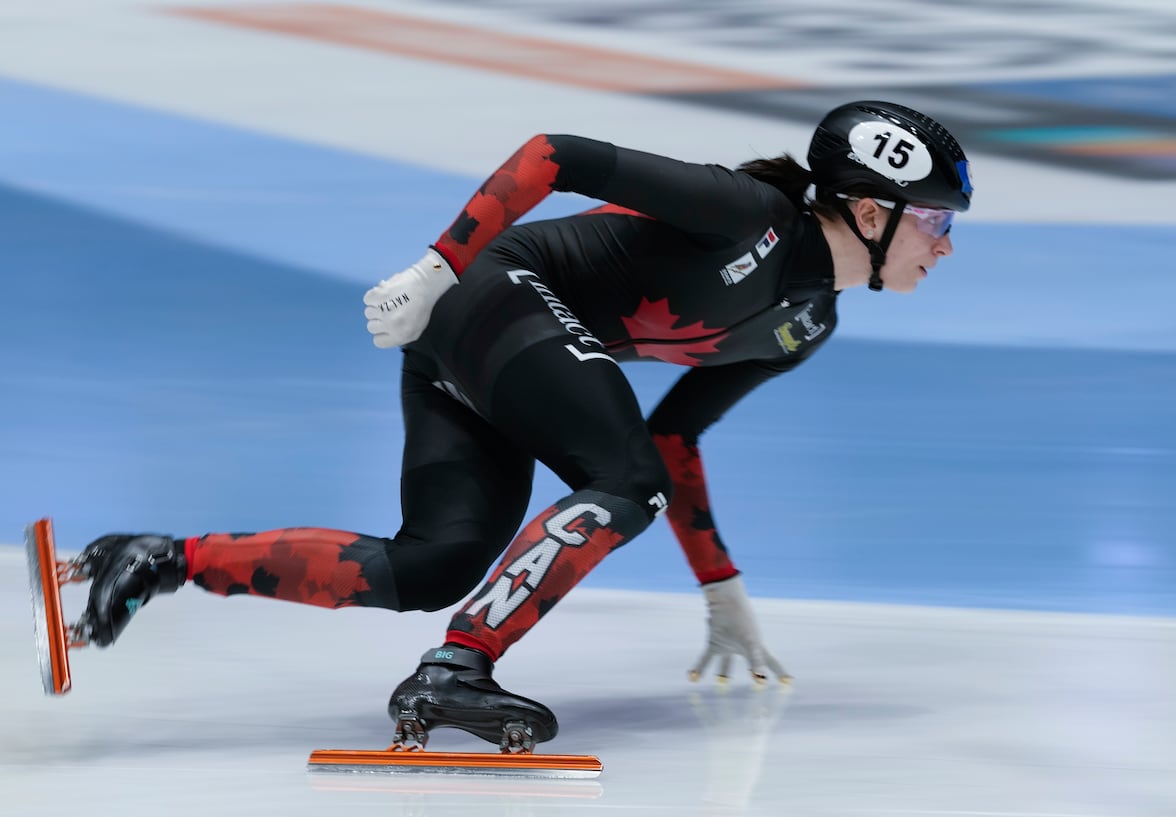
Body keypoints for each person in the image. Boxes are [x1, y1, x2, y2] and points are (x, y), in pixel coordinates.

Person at [72, 101, 973, 751]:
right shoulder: (752, 217)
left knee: (431, 563)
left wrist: (720, 584)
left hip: (498, 350)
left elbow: (670, 441)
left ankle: (158, 557)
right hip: (484, 294)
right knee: (622, 485)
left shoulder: (805, 325)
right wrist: (439, 264)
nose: (945, 243)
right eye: (935, 219)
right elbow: (557, 152)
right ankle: (458, 667)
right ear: (868, 210)